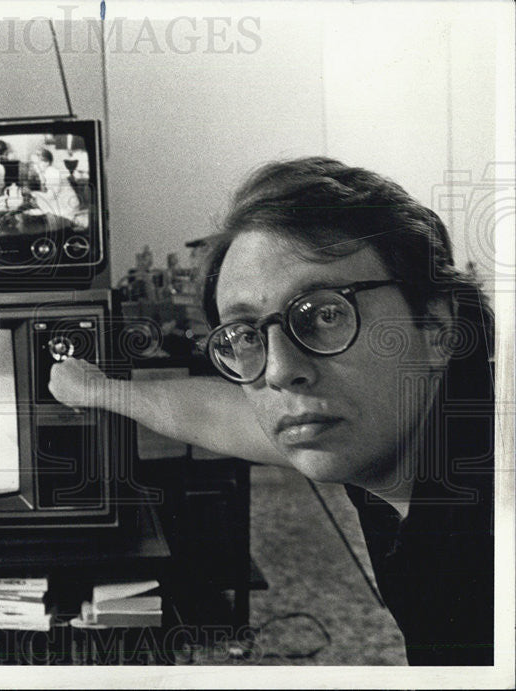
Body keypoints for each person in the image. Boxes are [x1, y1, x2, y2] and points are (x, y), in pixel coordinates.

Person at [48, 157, 495, 666]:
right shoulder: (384, 424)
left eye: (326, 314)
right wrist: (98, 390)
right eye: (245, 335)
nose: (279, 370)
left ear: (436, 327)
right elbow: (218, 415)